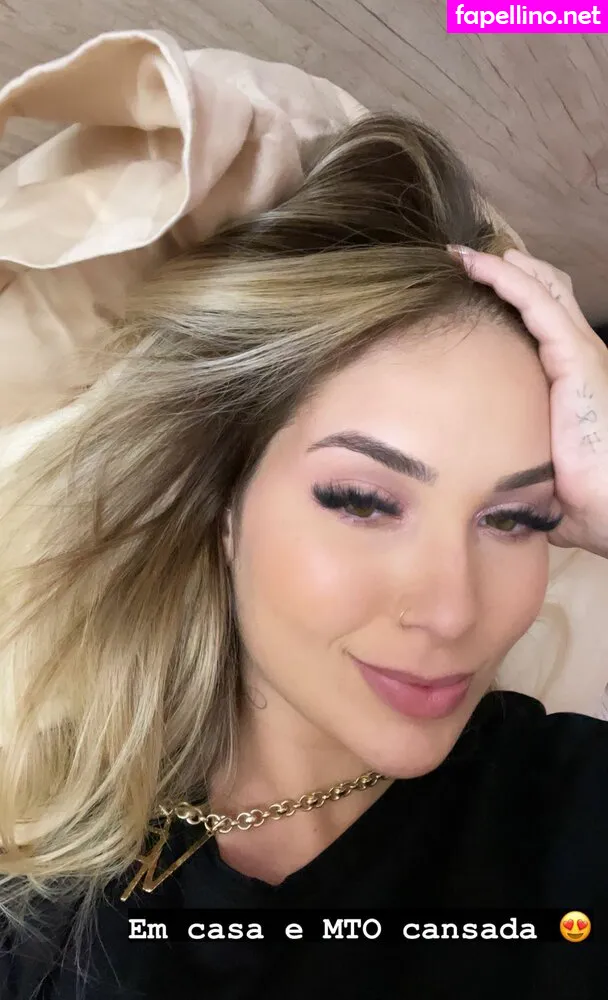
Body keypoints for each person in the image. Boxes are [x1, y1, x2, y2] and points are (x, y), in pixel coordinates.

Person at [1, 109, 608, 1000]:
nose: (452, 611)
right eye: (362, 502)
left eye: (515, 518)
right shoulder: (33, 856)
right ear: (222, 504)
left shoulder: (572, 814)